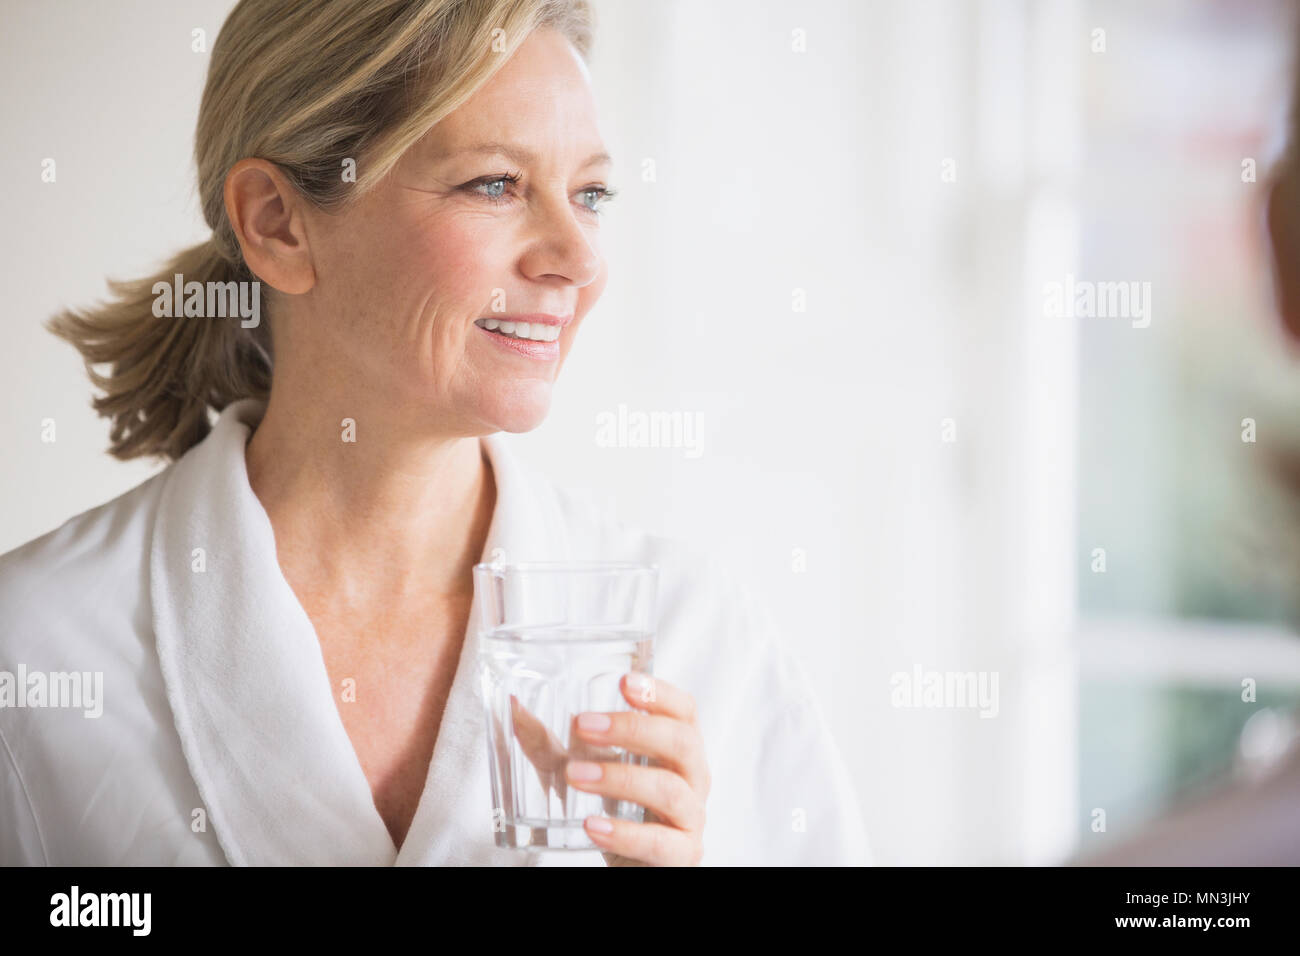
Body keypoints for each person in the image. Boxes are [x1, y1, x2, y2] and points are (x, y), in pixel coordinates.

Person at [0, 0, 871, 867]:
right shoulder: (35, 653)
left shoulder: (698, 641)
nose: (580, 257)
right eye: (495, 184)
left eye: (590, 193)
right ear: (277, 222)